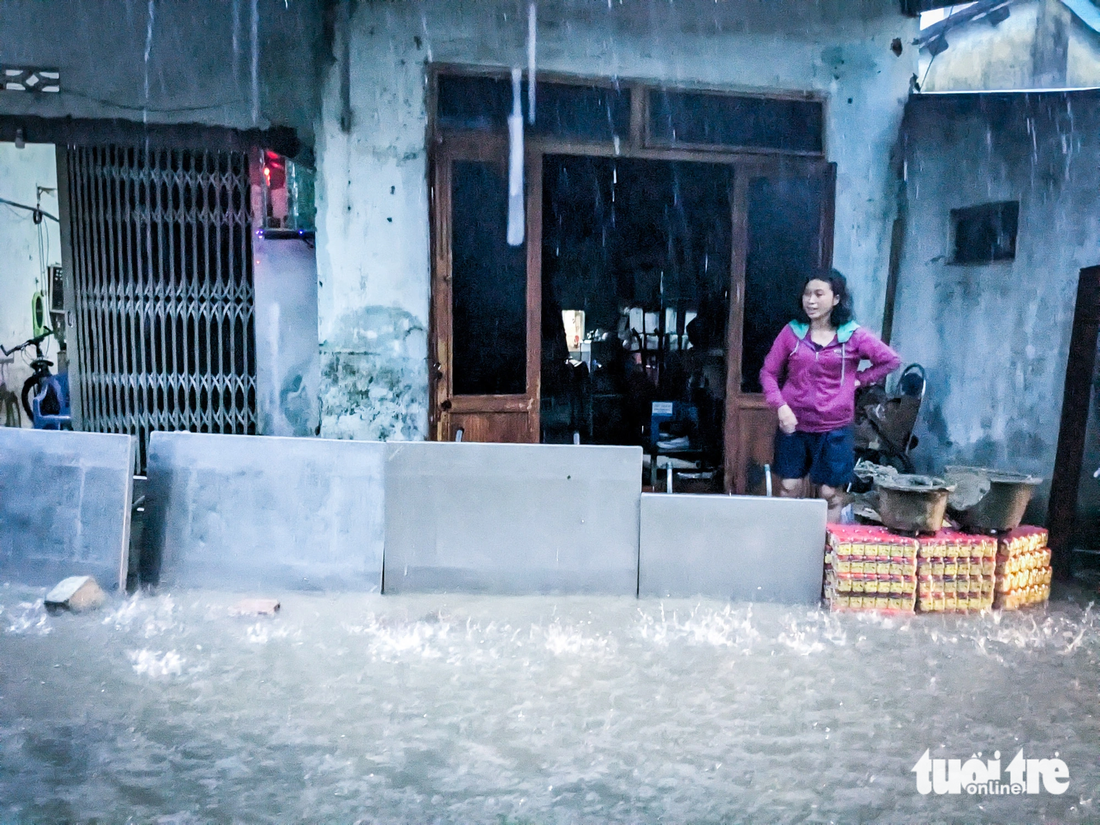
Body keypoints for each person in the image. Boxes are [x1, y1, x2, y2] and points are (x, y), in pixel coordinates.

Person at [760, 270, 900, 521]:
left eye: (818, 294)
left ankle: (828, 551)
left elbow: (890, 360)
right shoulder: (792, 333)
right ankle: (784, 542)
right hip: (795, 426)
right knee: (789, 488)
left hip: (834, 427)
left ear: (836, 299)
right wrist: (781, 406)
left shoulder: (853, 336)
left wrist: (859, 380)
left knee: (830, 493)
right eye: (807, 294)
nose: (810, 301)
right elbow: (768, 373)